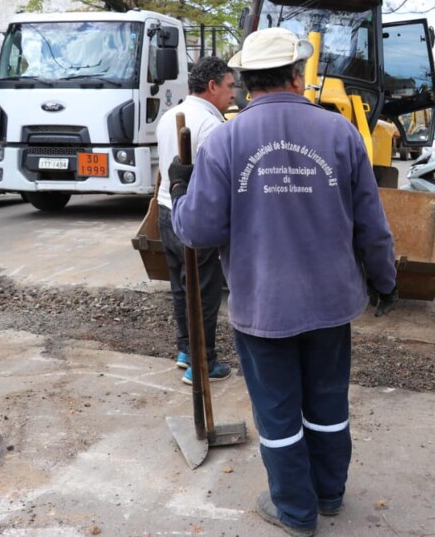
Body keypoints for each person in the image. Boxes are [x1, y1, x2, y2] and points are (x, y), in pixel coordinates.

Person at [170, 28, 397, 537]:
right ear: (297, 76)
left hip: (264, 306)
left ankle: (295, 510)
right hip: (330, 304)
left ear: (246, 82)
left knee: (277, 413)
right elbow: (372, 224)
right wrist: (386, 281)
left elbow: (199, 231)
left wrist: (182, 193)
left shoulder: (225, 141)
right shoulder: (341, 133)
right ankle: (329, 493)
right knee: (327, 402)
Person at [156, 56, 235, 385]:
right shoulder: (212, 126)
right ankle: (203, 363)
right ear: (212, 86)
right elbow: (215, 184)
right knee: (203, 292)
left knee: (181, 288)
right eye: (229, 86)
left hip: (166, 210)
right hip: (194, 216)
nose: (233, 94)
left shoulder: (169, 116)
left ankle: (186, 350)